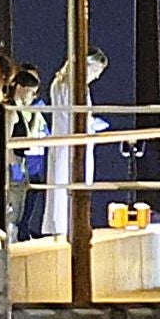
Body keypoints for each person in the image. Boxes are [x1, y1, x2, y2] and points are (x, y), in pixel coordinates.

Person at [43, 47, 109, 238]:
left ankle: (59, 226)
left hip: (63, 140)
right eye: (96, 71)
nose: (95, 77)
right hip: (73, 144)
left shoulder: (59, 82)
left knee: (60, 186)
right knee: (71, 186)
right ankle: (69, 227)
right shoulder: (75, 86)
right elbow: (78, 117)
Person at [8, 65, 49, 240]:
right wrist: (14, 168)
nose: (32, 97)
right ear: (21, 88)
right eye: (31, 92)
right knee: (13, 210)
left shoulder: (17, 110)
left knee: (19, 208)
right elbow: (5, 142)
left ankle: (16, 238)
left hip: (19, 165)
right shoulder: (10, 111)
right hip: (13, 168)